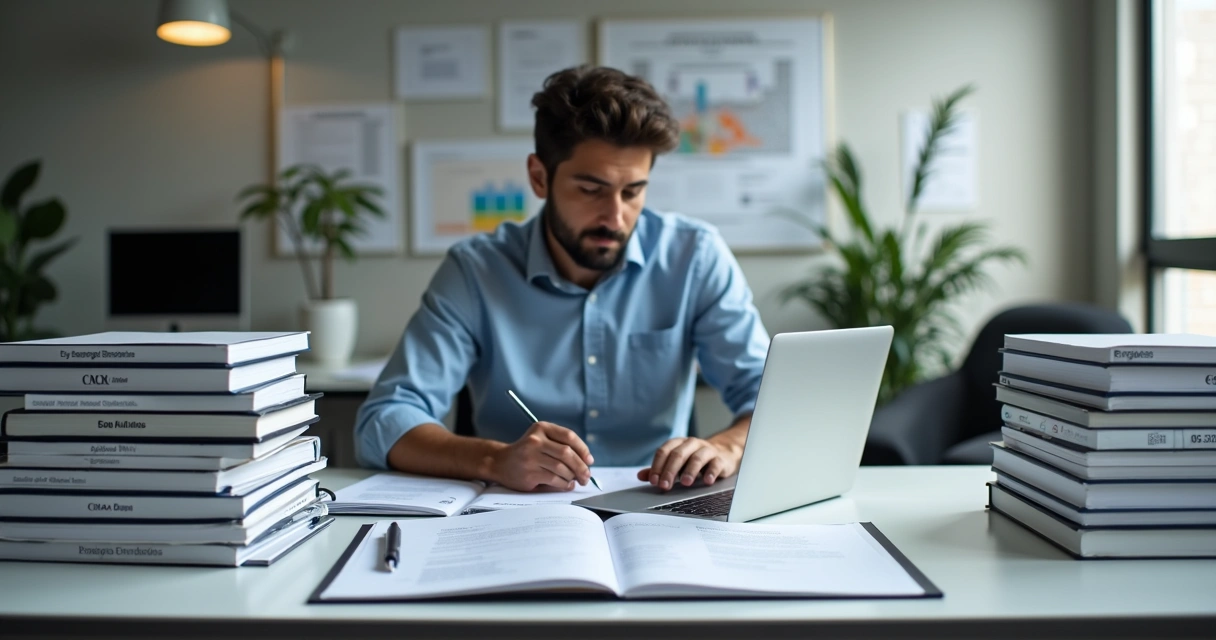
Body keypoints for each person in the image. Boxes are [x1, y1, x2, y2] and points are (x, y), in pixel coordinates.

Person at [354, 65, 770, 493]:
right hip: (514, 513)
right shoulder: (476, 271)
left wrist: (728, 446)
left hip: (660, 508)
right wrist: (495, 459)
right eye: (591, 190)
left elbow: (772, 396)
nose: (615, 217)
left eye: (632, 192)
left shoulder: (694, 257)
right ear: (539, 177)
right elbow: (384, 421)